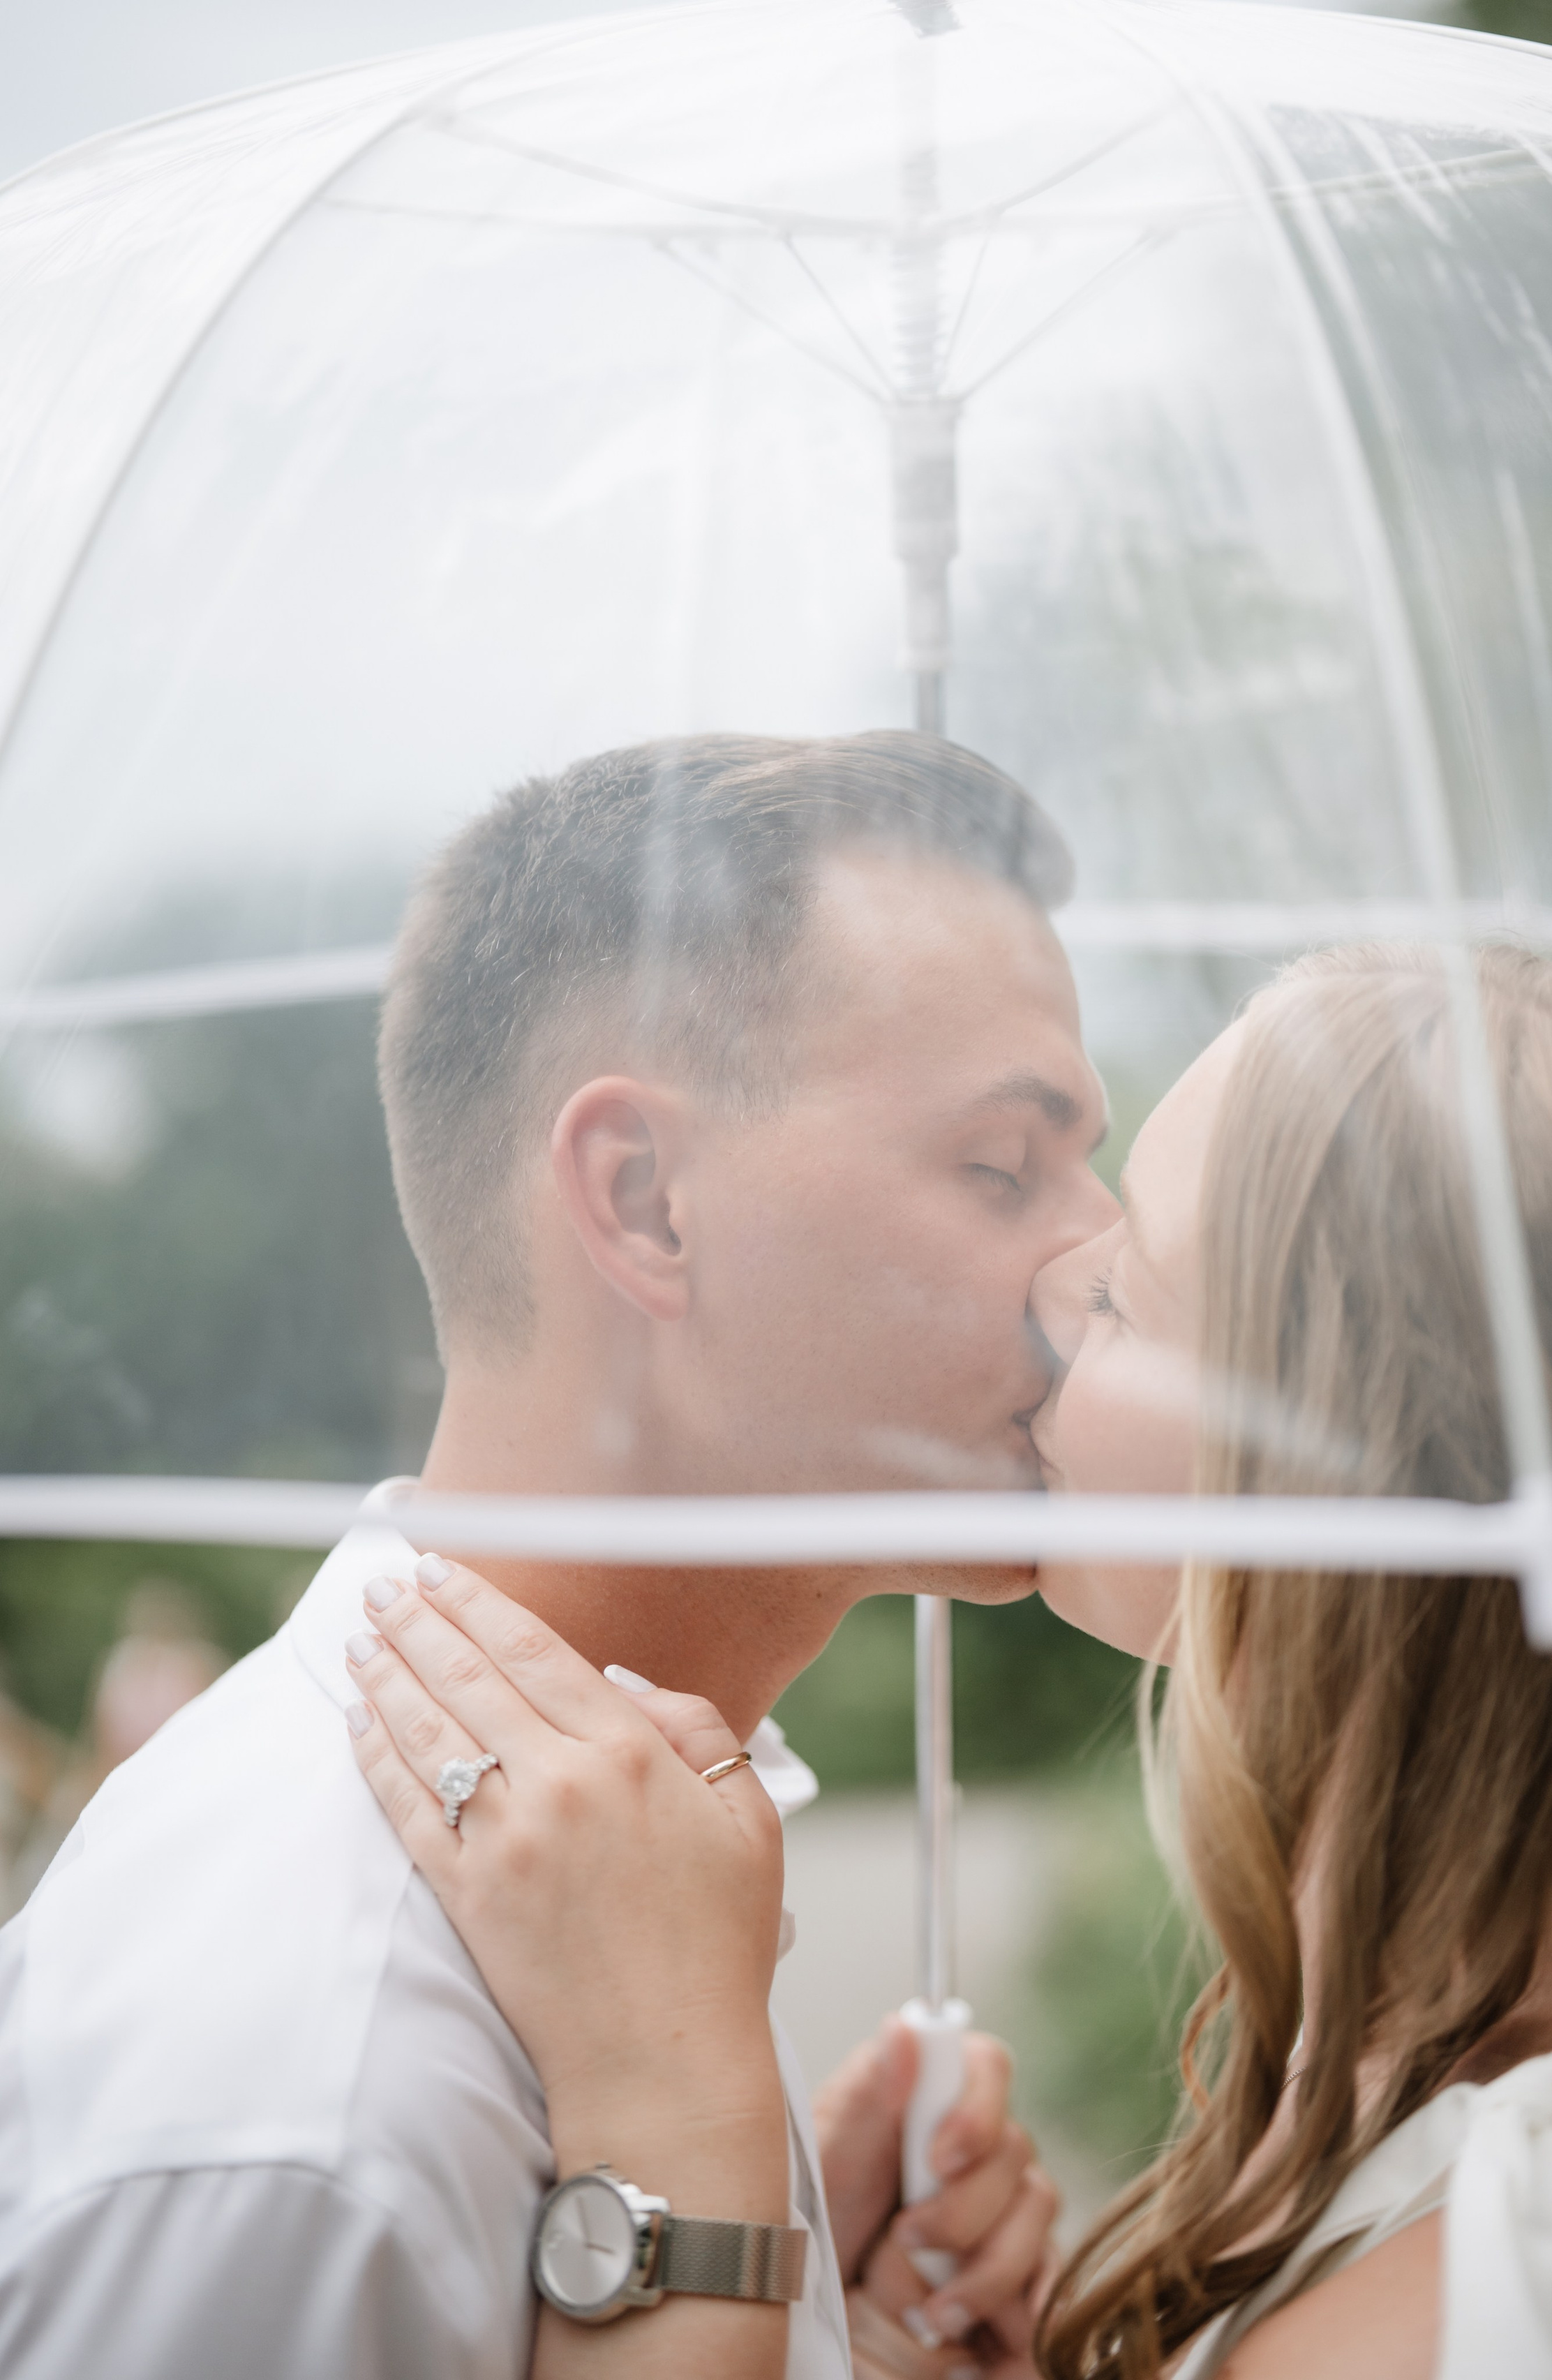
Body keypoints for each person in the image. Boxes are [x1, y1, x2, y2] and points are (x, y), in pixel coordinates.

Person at [341, 943, 1552, 2379]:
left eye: (1123, 1296)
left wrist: (673, 2142)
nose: (1042, 1292)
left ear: (1352, 1492)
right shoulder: (1470, 2098)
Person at [0, 731, 1114, 2379]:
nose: (1095, 1258)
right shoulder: (307, 2105)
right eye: (1001, 1165)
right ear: (647, 1201)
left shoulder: (595, 1889)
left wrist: (831, 2341)